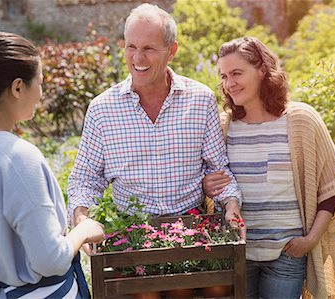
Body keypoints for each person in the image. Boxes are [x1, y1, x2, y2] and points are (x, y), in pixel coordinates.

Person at [67, 3, 244, 236]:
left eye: (149, 48)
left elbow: (218, 172)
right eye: (131, 47)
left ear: (172, 50)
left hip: (193, 234)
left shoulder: (200, 100)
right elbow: (85, 180)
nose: (138, 58)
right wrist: (82, 219)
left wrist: (231, 205)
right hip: (130, 237)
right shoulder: (102, 109)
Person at [203, 36, 335, 299]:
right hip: (239, 254)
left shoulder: (301, 120)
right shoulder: (223, 126)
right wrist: (207, 185)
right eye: (224, 76)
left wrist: (310, 241)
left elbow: (332, 189)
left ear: (262, 71)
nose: (229, 84)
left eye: (237, 73)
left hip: (286, 254)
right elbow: (211, 177)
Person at [0, 32, 105, 298]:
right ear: (17, 88)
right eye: (39, 82)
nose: (41, 93)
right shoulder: (17, 158)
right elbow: (50, 259)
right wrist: (83, 230)